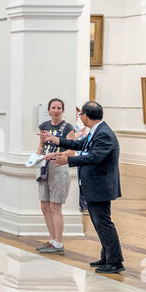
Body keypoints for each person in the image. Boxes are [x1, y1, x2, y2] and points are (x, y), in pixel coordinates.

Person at [42, 100, 124, 274]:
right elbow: (79, 145)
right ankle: (107, 257)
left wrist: (68, 160)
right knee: (99, 223)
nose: (80, 117)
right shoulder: (97, 131)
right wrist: (55, 140)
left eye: (81, 114)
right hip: (94, 186)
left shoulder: (104, 134)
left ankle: (115, 262)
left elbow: (94, 157)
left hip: (100, 187)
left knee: (104, 223)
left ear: (86, 116)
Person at [34, 98, 78, 254]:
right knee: (44, 206)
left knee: (55, 206)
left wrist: (55, 154)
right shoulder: (44, 127)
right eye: (53, 107)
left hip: (59, 167)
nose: (56, 110)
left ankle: (58, 243)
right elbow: (41, 146)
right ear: (48, 110)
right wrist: (37, 156)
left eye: (59, 108)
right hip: (44, 167)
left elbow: (71, 151)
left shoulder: (68, 128)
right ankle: (52, 240)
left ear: (63, 110)